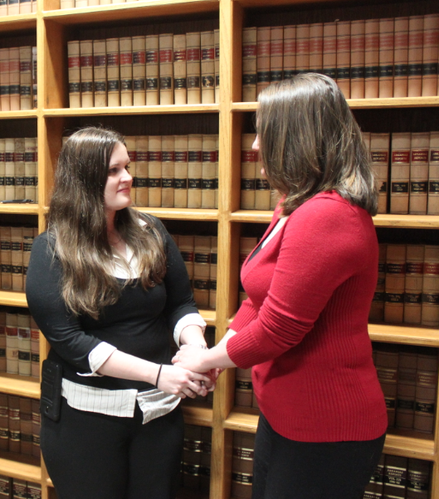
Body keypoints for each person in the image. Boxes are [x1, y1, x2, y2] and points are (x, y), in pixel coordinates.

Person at [173, 73, 388, 499]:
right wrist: (217, 355)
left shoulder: (326, 215)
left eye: (263, 132)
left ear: (295, 138)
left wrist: (203, 360)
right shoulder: (295, 204)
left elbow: (279, 327)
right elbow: (260, 297)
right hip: (286, 414)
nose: (254, 146)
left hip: (326, 427)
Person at [25, 127, 214, 499]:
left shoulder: (151, 231)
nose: (127, 177)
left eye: (127, 167)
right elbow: (70, 341)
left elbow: (180, 303)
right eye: (114, 171)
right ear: (84, 179)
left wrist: (196, 351)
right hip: (85, 422)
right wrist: (157, 374)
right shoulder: (51, 250)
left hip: (158, 414)